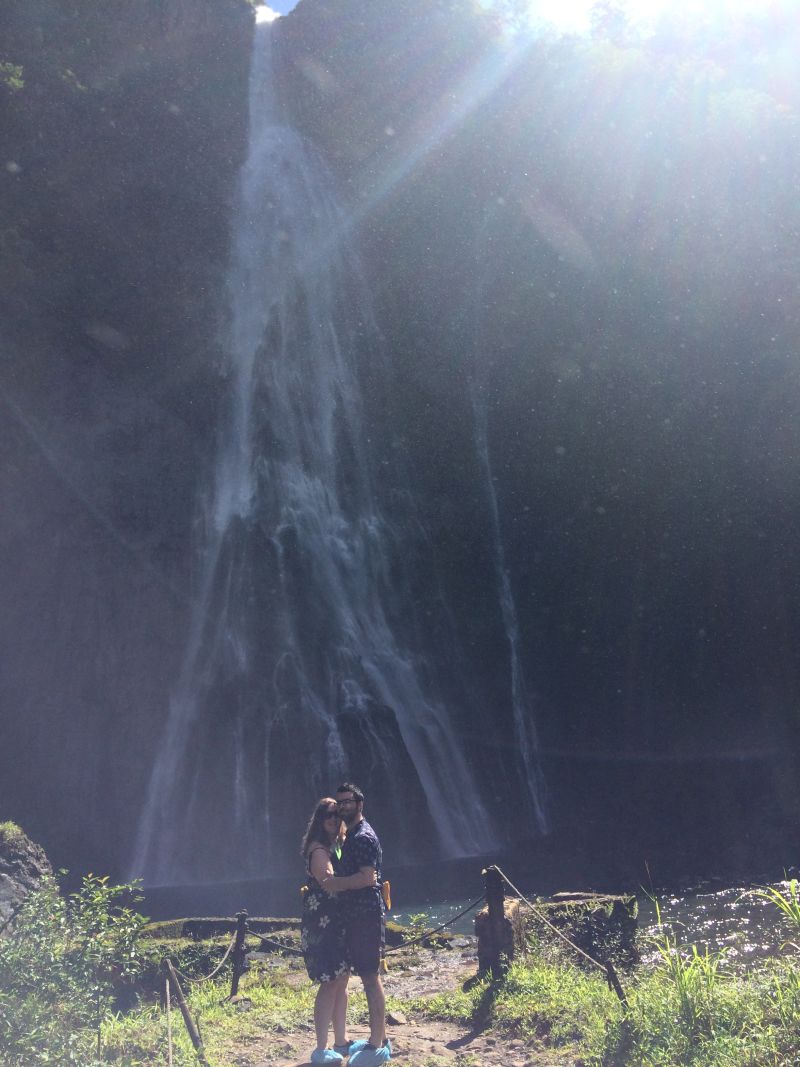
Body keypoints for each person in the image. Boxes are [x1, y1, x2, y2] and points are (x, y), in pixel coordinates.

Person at [323, 783, 390, 1067]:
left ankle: (378, 1045)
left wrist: (333, 884)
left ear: (360, 804)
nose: (342, 806)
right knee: (359, 976)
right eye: (339, 803)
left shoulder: (362, 837)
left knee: (370, 977)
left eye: (347, 801)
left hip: (365, 917)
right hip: (353, 917)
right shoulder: (349, 836)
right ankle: (377, 1038)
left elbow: (367, 878)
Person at [300, 797, 355, 1065]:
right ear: (319, 821)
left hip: (338, 922)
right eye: (328, 815)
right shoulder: (319, 850)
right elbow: (328, 884)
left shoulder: (337, 845)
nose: (333, 819)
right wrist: (363, 882)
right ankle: (321, 1048)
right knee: (329, 982)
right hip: (324, 926)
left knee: (342, 979)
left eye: (337, 815)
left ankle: (341, 1041)